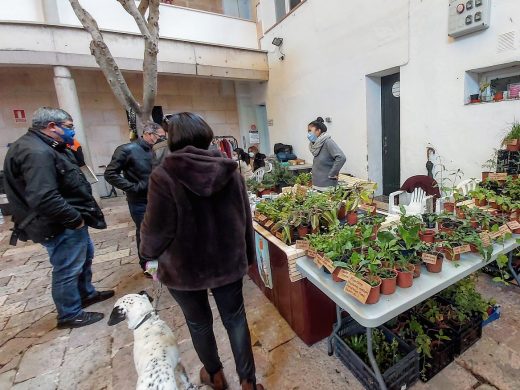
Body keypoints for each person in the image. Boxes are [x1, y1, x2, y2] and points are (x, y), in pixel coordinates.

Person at [140, 112, 264, 390]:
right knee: (235, 320)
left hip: (184, 268)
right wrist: (247, 257)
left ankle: (215, 376)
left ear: (173, 138)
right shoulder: (230, 170)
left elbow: (156, 228)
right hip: (226, 263)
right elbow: (244, 217)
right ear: (207, 135)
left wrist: (148, 258)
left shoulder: (163, 176)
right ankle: (249, 384)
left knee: (198, 324)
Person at [3, 107, 112, 328]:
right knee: (67, 268)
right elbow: (43, 196)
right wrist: (75, 219)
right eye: (70, 127)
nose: (73, 132)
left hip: (66, 222)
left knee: (84, 257)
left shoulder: (45, 146)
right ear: (52, 126)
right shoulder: (36, 152)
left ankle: (85, 294)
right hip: (59, 224)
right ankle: (69, 314)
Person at [104, 122, 166, 276]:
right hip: (140, 201)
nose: (162, 140)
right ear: (149, 134)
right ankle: (147, 266)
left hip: (159, 198)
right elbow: (110, 174)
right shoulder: (127, 150)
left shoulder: (158, 151)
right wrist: (133, 187)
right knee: (145, 233)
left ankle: (162, 261)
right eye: (160, 136)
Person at [307, 116, 346, 189]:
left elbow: (341, 157)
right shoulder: (316, 145)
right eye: (308, 131)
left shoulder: (328, 142)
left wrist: (332, 173)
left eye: (310, 131)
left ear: (318, 131)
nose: (308, 134)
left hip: (326, 187)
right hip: (316, 185)